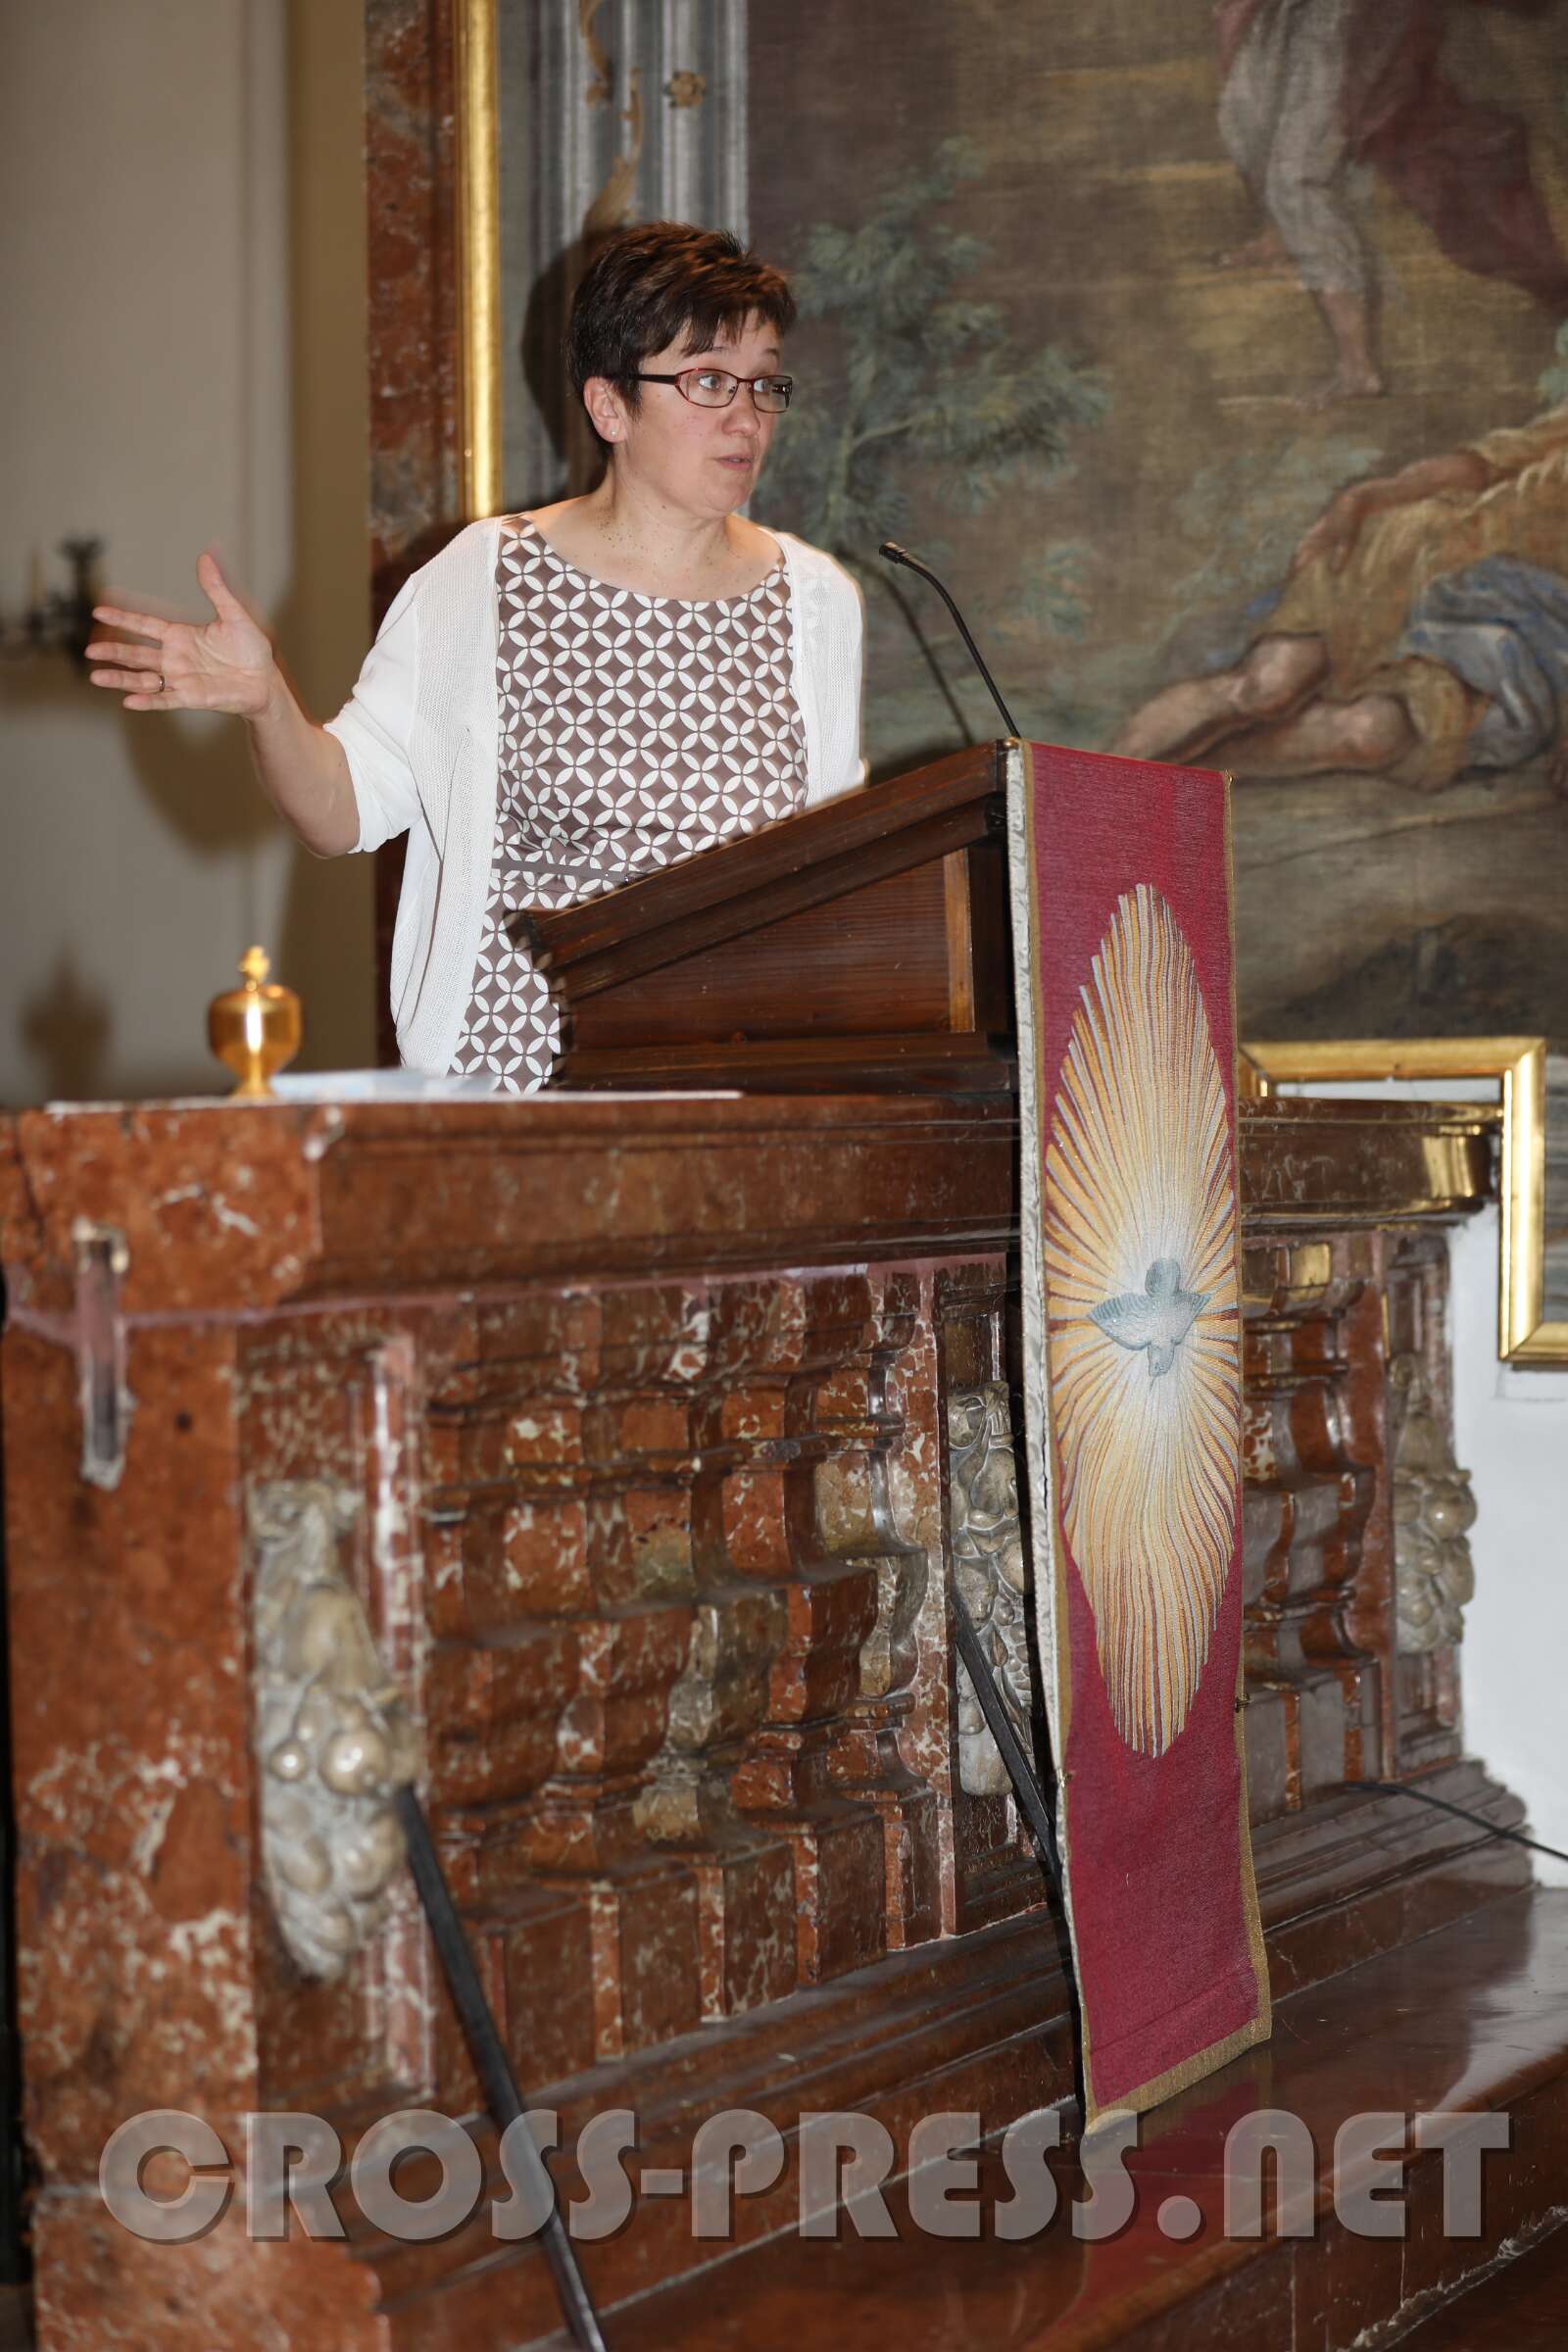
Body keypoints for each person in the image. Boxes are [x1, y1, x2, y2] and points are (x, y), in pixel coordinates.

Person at [86, 221, 865, 1087]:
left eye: (764, 384)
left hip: (741, 1085)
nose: (746, 418)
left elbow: (835, 877)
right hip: (516, 1085)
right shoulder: (483, 578)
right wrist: (268, 700)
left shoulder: (817, 601)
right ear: (609, 405)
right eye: (710, 380)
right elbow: (341, 810)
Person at [1111, 401, 1568, 795]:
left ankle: (1133, 795)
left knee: (1370, 734)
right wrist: (1367, 495)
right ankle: (1098, 784)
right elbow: (1483, 464)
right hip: (1412, 557)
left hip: (1510, 640)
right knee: (1264, 690)